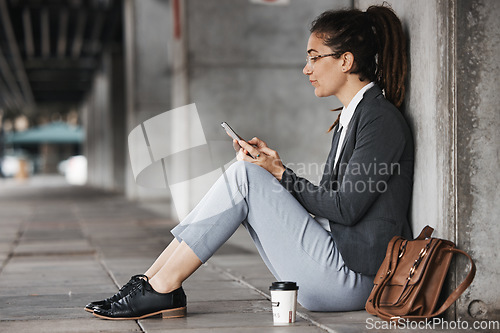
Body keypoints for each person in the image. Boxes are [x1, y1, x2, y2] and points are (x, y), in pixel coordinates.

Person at [86, 4, 414, 320]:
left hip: (358, 279)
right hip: (340, 266)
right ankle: (151, 281)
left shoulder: (379, 119)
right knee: (246, 174)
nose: (306, 69)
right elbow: (330, 203)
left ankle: (161, 287)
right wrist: (276, 168)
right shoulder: (351, 118)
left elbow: (345, 208)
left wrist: (279, 173)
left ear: (345, 60)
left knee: (245, 176)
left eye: (314, 57)